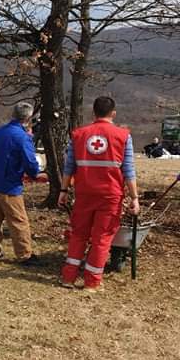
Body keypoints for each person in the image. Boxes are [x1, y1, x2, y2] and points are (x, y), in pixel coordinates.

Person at [58, 96, 140, 292]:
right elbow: (128, 170)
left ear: (93, 113)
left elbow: (69, 167)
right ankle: (92, 282)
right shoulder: (123, 136)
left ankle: (68, 278)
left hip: (84, 193)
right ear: (113, 113)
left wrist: (63, 190)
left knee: (78, 234)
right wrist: (135, 198)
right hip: (110, 195)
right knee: (102, 238)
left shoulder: (78, 135)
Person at [0, 102, 41, 265]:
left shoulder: (0, 131)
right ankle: (24, 254)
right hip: (9, 184)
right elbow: (30, 162)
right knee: (18, 220)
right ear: (28, 119)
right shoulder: (22, 137)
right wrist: (36, 173)